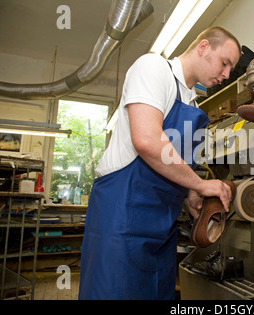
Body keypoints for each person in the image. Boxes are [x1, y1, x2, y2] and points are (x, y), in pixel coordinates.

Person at [78, 26, 241, 300]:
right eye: (225, 63)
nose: (226, 75)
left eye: (230, 69)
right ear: (203, 47)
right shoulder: (153, 68)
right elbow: (148, 141)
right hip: (121, 216)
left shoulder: (192, 103)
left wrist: (189, 193)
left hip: (161, 228)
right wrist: (201, 183)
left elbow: (172, 161)